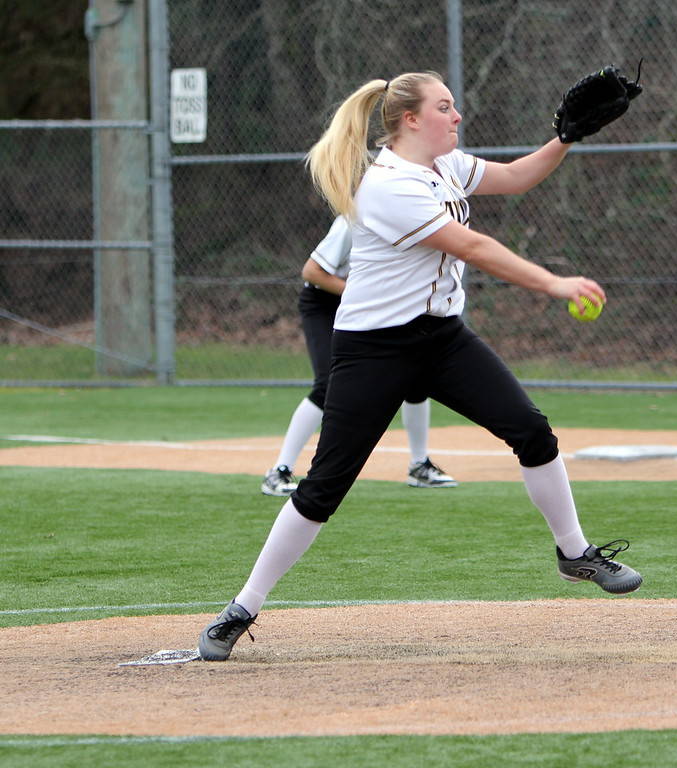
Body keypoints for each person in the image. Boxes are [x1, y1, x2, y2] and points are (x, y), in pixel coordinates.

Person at [199, 70, 643, 661]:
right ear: (410, 120)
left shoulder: (447, 165)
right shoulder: (387, 185)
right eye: (444, 107)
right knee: (324, 487)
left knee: (532, 431)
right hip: (372, 351)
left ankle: (575, 553)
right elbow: (472, 247)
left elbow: (515, 178)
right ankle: (243, 607)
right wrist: (555, 283)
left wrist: (564, 137)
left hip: (442, 341)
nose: (456, 116)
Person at [260, 216, 457, 495]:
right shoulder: (354, 219)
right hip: (325, 303)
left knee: (416, 377)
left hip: (372, 304)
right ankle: (278, 472)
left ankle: (419, 466)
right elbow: (312, 272)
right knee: (328, 384)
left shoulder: (411, 215)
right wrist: (359, 294)